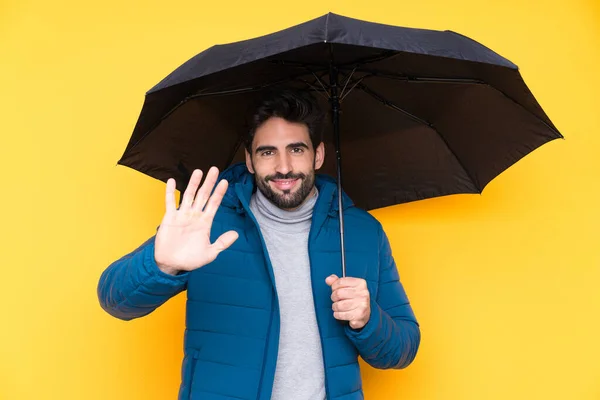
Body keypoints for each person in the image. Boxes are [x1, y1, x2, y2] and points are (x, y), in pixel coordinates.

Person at [97, 89, 420, 400]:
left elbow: (403, 349)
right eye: (267, 152)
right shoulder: (208, 222)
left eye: (296, 149)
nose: (283, 167)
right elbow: (115, 300)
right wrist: (163, 265)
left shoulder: (363, 233)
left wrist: (368, 319)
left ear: (318, 154)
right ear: (250, 160)